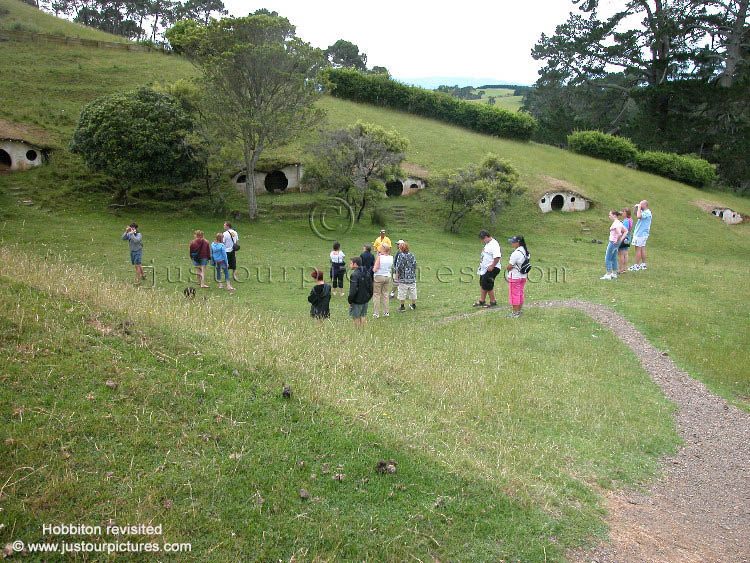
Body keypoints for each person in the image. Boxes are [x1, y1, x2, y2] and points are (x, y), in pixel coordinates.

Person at [474, 230, 501, 308]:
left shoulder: (494, 244)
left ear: (486, 237)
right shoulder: (488, 244)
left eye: (483, 239)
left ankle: (493, 302)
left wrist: (492, 266)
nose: (482, 241)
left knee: (488, 284)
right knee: (482, 283)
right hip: (484, 268)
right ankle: (482, 301)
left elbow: (497, 257)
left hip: (493, 268)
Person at [506, 236, 529, 318]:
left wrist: (507, 268)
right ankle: (519, 310)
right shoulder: (526, 252)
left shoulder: (516, 253)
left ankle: (515, 313)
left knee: (514, 294)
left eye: (513, 242)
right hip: (523, 276)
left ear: (518, 242)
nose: (512, 244)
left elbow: (510, 266)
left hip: (515, 276)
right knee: (520, 293)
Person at [601, 210, 627, 280]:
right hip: (616, 243)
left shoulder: (616, 223)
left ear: (614, 215)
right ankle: (614, 273)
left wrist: (618, 239)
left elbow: (619, 233)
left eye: (610, 215)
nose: (609, 216)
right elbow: (626, 231)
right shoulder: (619, 222)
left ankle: (608, 274)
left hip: (613, 242)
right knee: (613, 257)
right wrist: (620, 240)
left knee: (607, 258)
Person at [348, 257, 373, 328]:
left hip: (357, 300)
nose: (349, 265)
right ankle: (363, 331)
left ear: (355, 264)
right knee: (363, 316)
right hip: (365, 300)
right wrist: (368, 297)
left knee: (356, 317)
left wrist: (350, 300)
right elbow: (371, 287)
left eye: (350, 263)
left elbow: (353, 290)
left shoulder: (354, 275)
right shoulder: (367, 272)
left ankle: (357, 332)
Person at [629, 200, 652, 271]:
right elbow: (636, 214)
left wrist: (639, 208)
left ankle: (636, 265)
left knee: (638, 249)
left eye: (641, 204)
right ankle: (643, 264)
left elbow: (638, 216)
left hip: (640, 234)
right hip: (643, 234)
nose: (640, 205)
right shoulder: (645, 212)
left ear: (645, 205)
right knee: (642, 249)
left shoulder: (647, 212)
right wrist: (637, 208)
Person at [394, 241, 417, 311]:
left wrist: (396, 275)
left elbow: (398, 266)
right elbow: (415, 264)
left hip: (403, 277)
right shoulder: (412, 255)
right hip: (411, 277)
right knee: (412, 290)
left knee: (402, 292)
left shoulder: (400, 256)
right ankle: (413, 305)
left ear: (401, 248)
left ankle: (402, 306)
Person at [372, 243, 393, 318]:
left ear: (382, 249)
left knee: (376, 294)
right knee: (385, 294)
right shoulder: (391, 257)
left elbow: (375, 268)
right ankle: (386, 312)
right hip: (387, 276)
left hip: (379, 276)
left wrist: (373, 269)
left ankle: (376, 313)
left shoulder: (380, 257)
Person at [617, 208, 633, 274]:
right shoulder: (630, 219)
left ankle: (620, 269)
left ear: (626, 213)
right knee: (626, 253)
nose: (622, 213)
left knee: (621, 254)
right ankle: (624, 268)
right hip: (628, 237)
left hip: (624, 238)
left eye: (623, 212)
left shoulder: (626, 221)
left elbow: (624, 230)